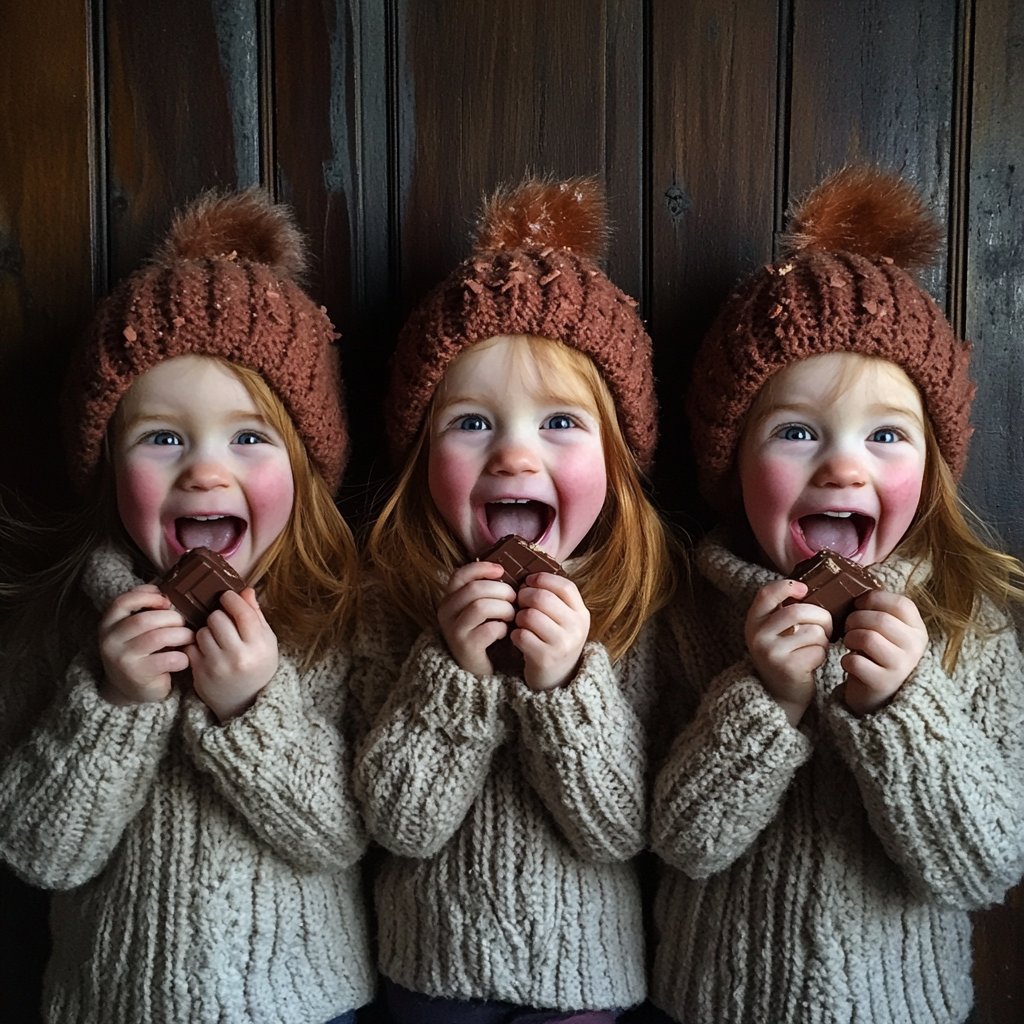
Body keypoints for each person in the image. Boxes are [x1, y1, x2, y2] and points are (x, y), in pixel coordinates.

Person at [649, 165, 1024, 1024]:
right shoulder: (689, 619)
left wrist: (904, 704)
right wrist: (764, 699)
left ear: (931, 467)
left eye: (886, 435)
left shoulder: (969, 625)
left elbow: (981, 864)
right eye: (795, 433)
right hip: (714, 1004)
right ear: (732, 464)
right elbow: (679, 842)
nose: (843, 466)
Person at [0, 190, 375, 1023]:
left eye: (249, 437)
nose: (207, 473)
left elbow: (347, 836)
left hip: (304, 1009)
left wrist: (252, 710)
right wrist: (112, 703)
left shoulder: (338, 623)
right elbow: (38, 851)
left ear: (309, 469)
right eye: (163, 438)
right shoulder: (64, 629)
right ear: (104, 469)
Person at [351, 176, 678, 1022]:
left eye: (561, 423)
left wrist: (567, 683)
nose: (514, 458)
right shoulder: (388, 604)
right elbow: (397, 824)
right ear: (422, 456)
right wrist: (452, 671)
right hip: (429, 971)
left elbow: (622, 831)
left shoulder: (640, 611)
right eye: (472, 423)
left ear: (618, 459)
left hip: (584, 977)